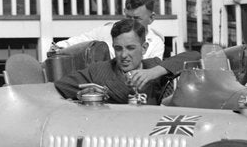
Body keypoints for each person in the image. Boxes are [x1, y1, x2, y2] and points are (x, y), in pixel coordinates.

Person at [54, 18, 194, 104]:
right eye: (118, 48)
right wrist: (87, 95)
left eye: (131, 48)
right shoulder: (99, 71)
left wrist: (154, 72)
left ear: (144, 48)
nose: (124, 55)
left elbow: (194, 56)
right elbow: (59, 86)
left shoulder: (153, 65)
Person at [51, 0, 165, 59]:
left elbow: (152, 72)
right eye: (128, 17)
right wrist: (58, 48)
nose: (131, 22)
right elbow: (80, 41)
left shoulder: (156, 42)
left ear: (151, 18)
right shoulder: (107, 30)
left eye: (137, 19)